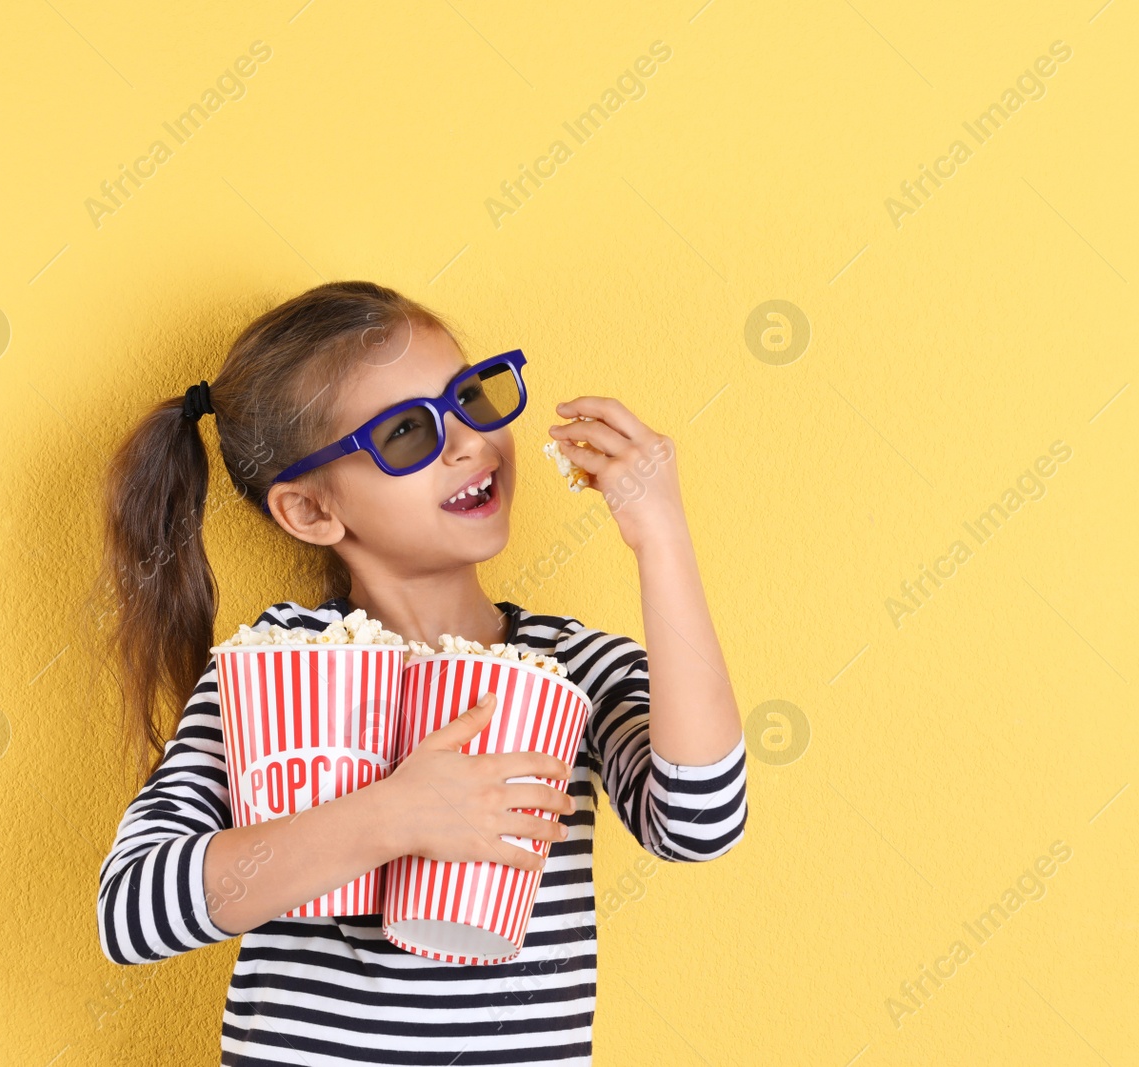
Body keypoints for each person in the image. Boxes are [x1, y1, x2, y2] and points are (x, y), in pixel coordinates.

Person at [94, 280, 748, 1065]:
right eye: (407, 432)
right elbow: (131, 910)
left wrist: (662, 538)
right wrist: (393, 816)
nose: (468, 439)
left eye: (469, 396)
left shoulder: (572, 668)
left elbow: (700, 822)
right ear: (310, 511)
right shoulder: (273, 666)